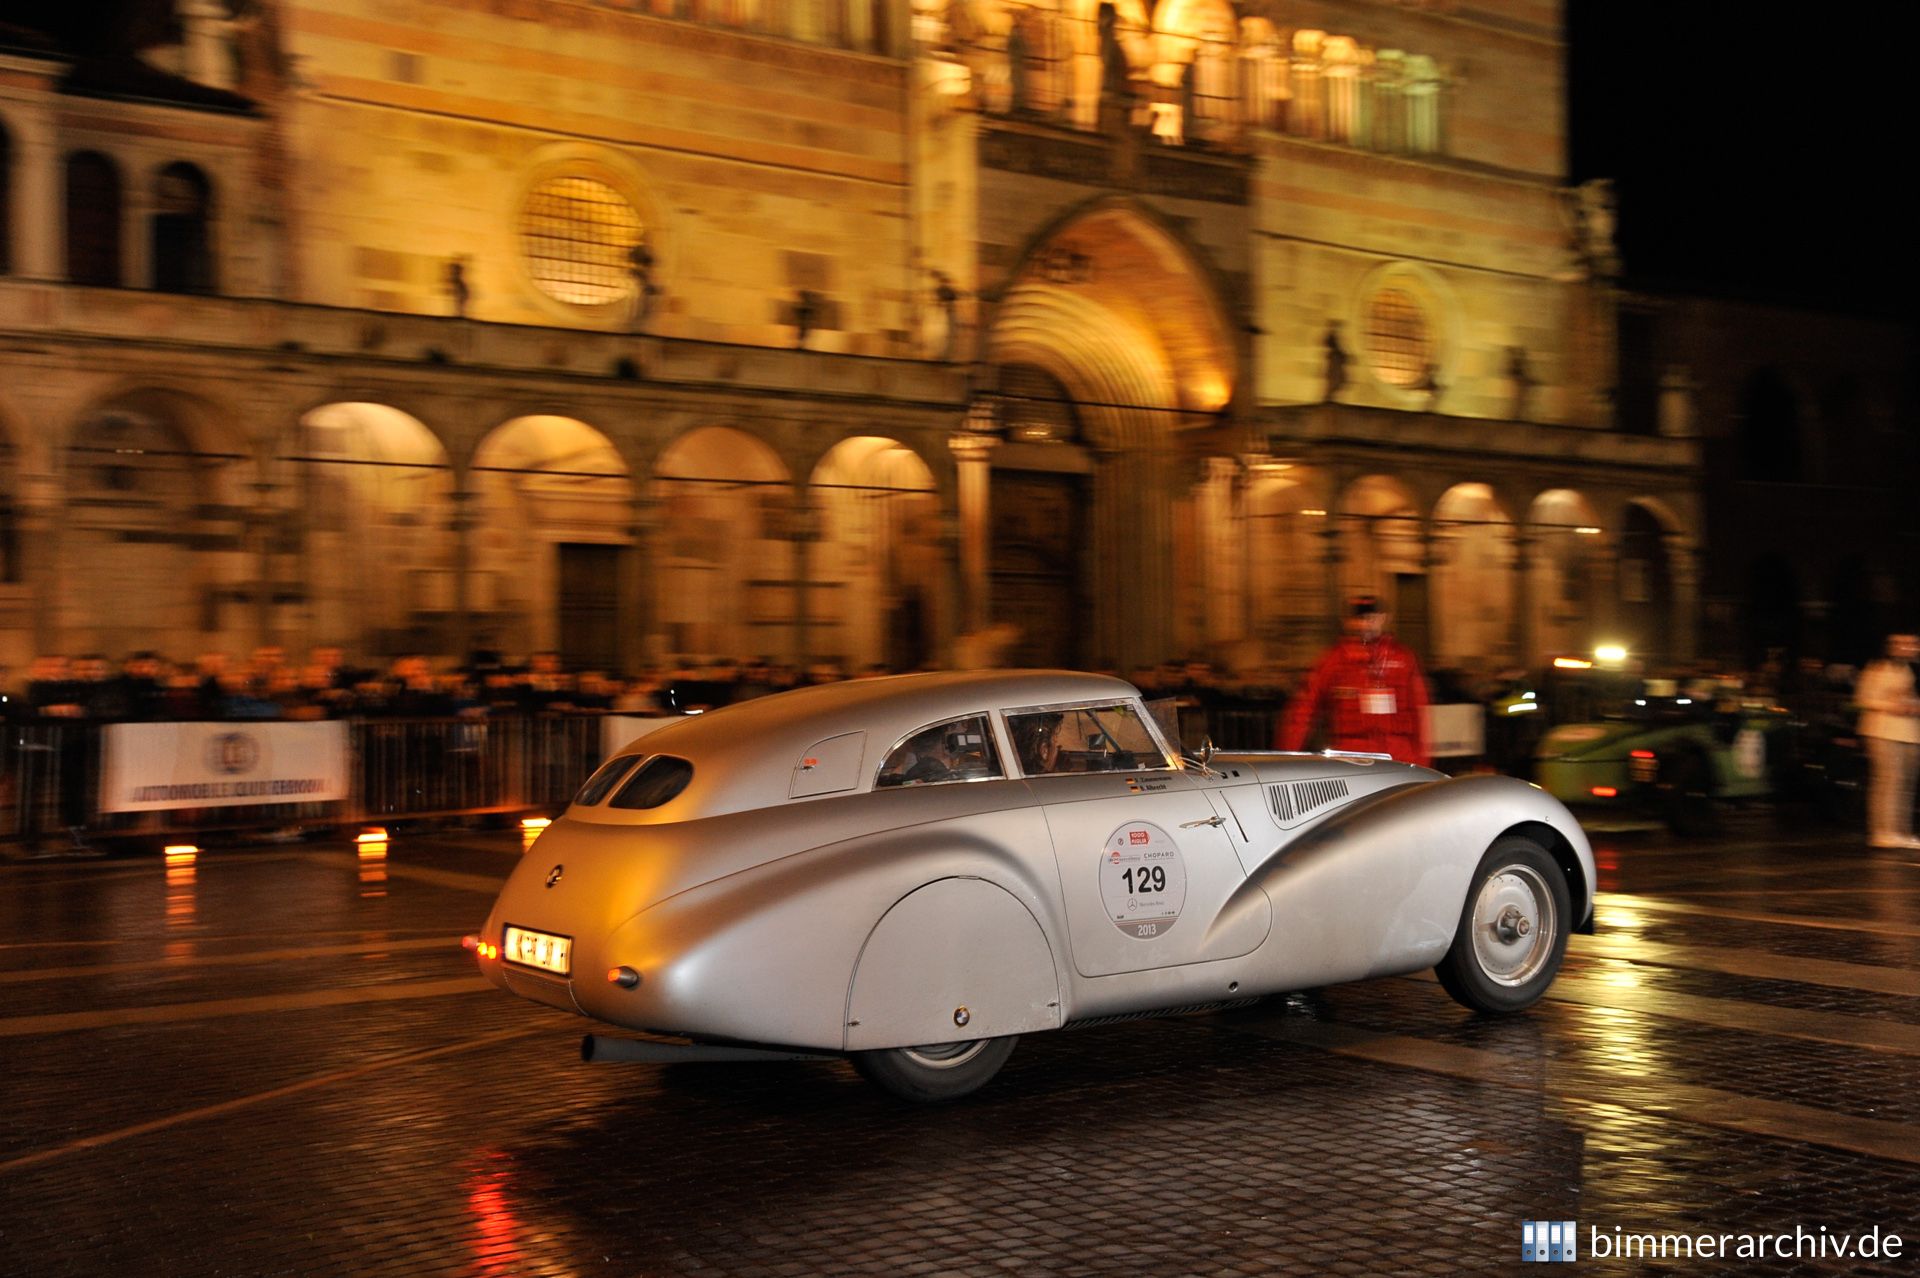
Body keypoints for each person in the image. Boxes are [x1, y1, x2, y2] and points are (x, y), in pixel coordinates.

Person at [1276, 594, 1431, 766]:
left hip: (1398, 757)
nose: (1364, 624)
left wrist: (1421, 762)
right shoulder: (1333, 661)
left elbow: (1419, 713)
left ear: (1383, 619)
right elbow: (1303, 711)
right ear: (1348, 622)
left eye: (1370, 618)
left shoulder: (1403, 659)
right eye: (1359, 619)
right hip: (1352, 758)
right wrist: (1286, 757)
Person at [1855, 632, 1920, 849]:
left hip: (1911, 732)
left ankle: (1902, 831)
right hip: (1882, 730)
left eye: (1912, 644)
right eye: (1901, 643)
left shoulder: (1912, 670)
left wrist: (1913, 706)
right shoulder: (1877, 669)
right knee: (1888, 780)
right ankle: (1882, 831)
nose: (1907, 648)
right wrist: (1891, 705)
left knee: (1907, 784)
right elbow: (1863, 699)